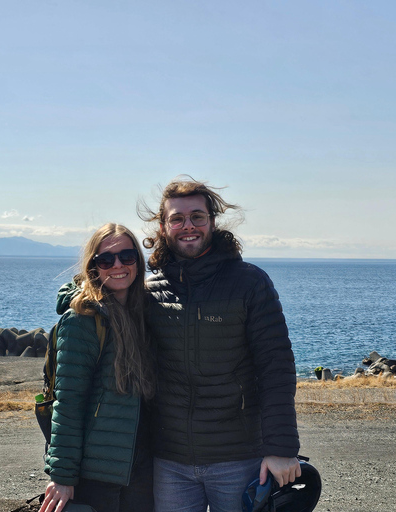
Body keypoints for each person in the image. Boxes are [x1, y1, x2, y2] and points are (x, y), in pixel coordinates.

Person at [139, 177, 301, 512]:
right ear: (163, 225)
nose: (188, 226)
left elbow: (276, 367)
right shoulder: (149, 290)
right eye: (177, 218)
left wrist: (281, 448)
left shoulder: (249, 282)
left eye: (197, 216)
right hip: (169, 460)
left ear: (212, 221)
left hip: (238, 458)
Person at [40, 223, 156, 512]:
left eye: (127, 256)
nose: (117, 265)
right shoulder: (82, 319)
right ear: (94, 266)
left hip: (140, 470)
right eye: (106, 259)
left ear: (138, 262)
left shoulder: (142, 312)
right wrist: (63, 476)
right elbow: (68, 404)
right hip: (97, 476)